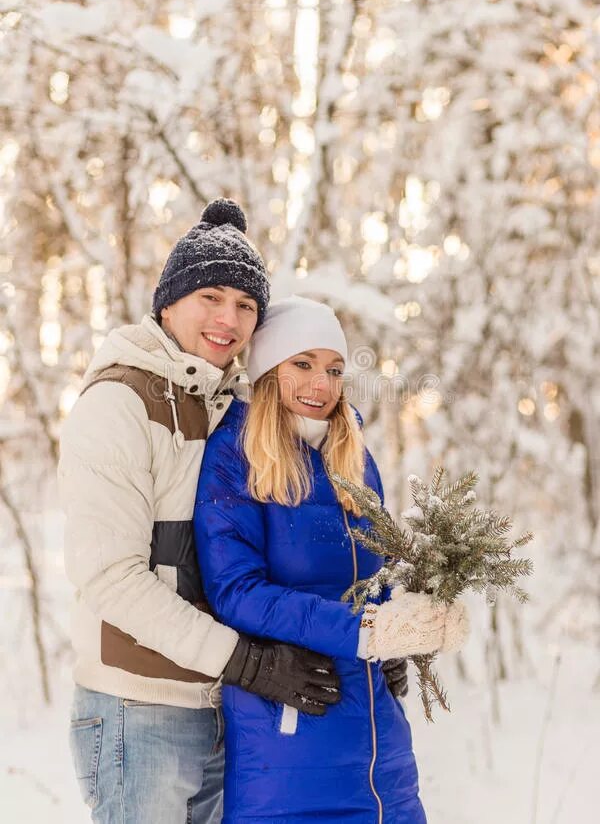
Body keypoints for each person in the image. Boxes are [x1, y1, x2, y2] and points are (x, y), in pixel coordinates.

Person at [58, 202, 341, 824]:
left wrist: (373, 641)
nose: (227, 319)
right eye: (209, 296)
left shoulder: (235, 410)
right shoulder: (119, 403)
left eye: (245, 305)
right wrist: (245, 660)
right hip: (140, 711)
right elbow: (111, 577)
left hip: (223, 708)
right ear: (167, 304)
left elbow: (283, 558)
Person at [193, 296, 470, 824]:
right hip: (287, 747)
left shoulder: (353, 455)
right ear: (269, 369)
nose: (320, 384)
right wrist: (364, 630)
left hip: (380, 748)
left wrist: (418, 617)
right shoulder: (235, 455)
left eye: (334, 369)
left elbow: (378, 573)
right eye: (302, 364)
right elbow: (236, 592)